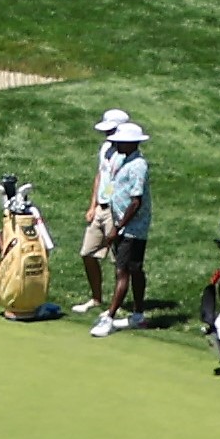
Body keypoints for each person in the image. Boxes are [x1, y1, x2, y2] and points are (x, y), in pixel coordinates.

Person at [84, 111, 153, 334]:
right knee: (133, 269)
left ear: (131, 144)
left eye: (120, 142)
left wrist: (119, 226)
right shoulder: (125, 160)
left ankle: (110, 319)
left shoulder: (138, 166)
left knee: (122, 271)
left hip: (133, 227)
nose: (116, 145)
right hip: (124, 222)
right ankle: (138, 315)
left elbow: (136, 201)